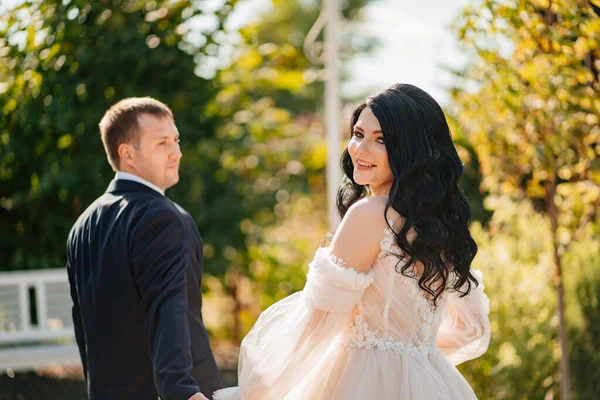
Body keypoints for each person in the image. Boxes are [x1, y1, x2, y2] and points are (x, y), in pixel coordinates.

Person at [214, 84, 491, 400]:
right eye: (358, 134)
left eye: (382, 140)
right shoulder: (441, 227)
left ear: (412, 149)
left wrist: (252, 394)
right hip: (433, 383)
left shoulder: (371, 215)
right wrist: (411, 356)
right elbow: (471, 329)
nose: (361, 149)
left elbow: (316, 323)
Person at [66, 97, 220, 400]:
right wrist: (183, 391)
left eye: (175, 140)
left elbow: (84, 332)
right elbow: (170, 310)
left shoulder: (82, 226)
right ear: (127, 153)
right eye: (162, 143)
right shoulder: (163, 217)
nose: (177, 152)